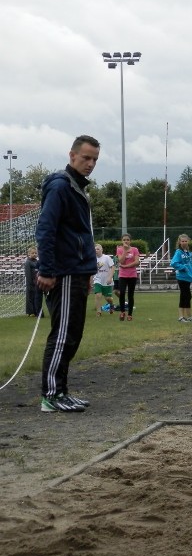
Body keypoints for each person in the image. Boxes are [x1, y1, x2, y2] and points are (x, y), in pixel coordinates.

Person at [35, 134, 100, 412]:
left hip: (77, 271)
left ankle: (61, 391)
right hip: (63, 272)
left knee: (72, 335)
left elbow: (80, 234)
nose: (90, 164)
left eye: (95, 159)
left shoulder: (77, 188)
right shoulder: (61, 186)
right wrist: (47, 270)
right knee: (62, 335)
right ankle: (51, 395)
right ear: (72, 155)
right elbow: (46, 230)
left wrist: (87, 271)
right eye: (86, 158)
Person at [170, 234, 192, 322]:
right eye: (182, 241)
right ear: (179, 242)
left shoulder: (189, 253)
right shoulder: (178, 252)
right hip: (181, 277)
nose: (184, 243)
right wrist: (183, 267)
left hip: (188, 277)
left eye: (186, 241)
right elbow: (173, 263)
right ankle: (181, 317)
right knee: (185, 295)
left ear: (188, 241)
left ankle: (189, 317)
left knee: (187, 296)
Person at [116, 234, 140, 321]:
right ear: (122, 241)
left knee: (130, 294)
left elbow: (137, 262)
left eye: (127, 240)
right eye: (124, 240)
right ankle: (122, 312)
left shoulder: (135, 249)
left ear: (130, 241)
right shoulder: (119, 250)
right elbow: (121, 261)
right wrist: (125, 251)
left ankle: (130, 314)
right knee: (122, 293)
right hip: (122, 275)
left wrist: (126, 266)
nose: (126, 241)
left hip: (132, 275)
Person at [92, 243, 115, 316]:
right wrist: (90, 280)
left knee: (108, 298)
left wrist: (110, 277)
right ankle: (99, 312)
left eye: (98, 249)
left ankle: (111, 305)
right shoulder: (93, 259)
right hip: (97, 280)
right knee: (98, 295)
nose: (96, 250)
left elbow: (112, 267)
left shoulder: (106, 258)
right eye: (95, 249)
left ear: (102, 250)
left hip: (107, 281)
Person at [23, 247, 44, 317]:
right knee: (30, 297)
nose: (34, 254)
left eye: (35, 253)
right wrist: (30, 283)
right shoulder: (28, 262)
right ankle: (30, 312)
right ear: (29, 254)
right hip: (31, 283)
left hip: (37, 282)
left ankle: (36, 311)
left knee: (36, 297)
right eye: (32, 253)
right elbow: (28, 274)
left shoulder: (37, 262)